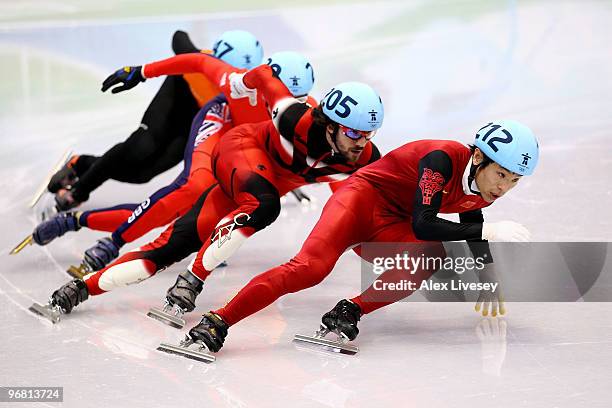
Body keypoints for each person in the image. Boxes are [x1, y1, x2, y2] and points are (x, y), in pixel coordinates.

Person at [41, 62, 384, 321]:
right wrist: (143, 71)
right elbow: (262, 74)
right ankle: (191, 280)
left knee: (168, 247)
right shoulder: (293, 115)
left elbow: (355, 202)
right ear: (331, 125)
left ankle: (79, 289)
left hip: (254, 188)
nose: (362, 144)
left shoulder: (364, 158)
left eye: (369, 134)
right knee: (254, 203)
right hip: (239, 151)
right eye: (356, 134)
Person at [174, 120, 540, 352]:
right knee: (309, 270)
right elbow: (426, 223)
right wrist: (488, 229)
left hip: (389, 222)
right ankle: (217, 321)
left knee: (432, 257)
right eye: (502, 175)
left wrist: (487, 281)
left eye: (514, 181)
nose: (505, 187)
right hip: (357, 203)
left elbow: (469, 227)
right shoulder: (441, 159)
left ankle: (348, 311)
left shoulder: (480, 187)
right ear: (477, 158)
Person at [32, 50, 314, 272]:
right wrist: (141, 72)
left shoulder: (309, 116)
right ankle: (112, 244)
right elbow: (199, 61)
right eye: (277, 97)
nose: (283, 108)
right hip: (222, 123)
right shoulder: (237, 83)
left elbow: (343, 168)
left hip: (249, 145)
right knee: (193, 188)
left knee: (182, 215)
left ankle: (76, 221)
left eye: (295, 101)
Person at [49, 30, 263, 211]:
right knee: (139, 149)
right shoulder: (200, 60)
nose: (232, 79)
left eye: (242, 75)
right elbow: (179, 37)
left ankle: (80, 163)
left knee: (142, 175)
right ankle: (79, 191)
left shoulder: (249, 91)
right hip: (176, 97)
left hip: (196, 119)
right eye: (228, 71)